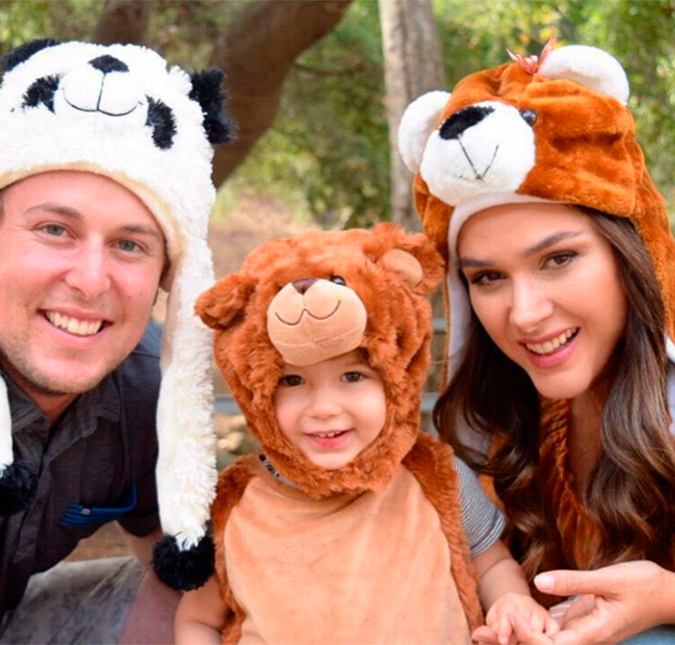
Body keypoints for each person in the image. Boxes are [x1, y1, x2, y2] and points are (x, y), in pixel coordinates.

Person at [397, 37, 675, 645]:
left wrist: (663, 599)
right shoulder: (494, 419)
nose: (524, 314)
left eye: (558, 259)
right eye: (487, 278)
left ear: (631, 256)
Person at [174, 224, 557, 644]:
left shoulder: (438, 478)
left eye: (353, 375)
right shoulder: (235, 507)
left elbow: (491, 565)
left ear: (396, 377)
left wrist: (510, 601)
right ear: (257, 392)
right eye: (293, 381)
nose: (323, 407)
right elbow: (198, 620)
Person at [0, 38, 232, 643]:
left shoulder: (148, 392)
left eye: (129, 244)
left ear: (167, 277)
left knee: (246, 587)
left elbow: (177, 561)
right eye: (55, 229)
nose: (90, 279)